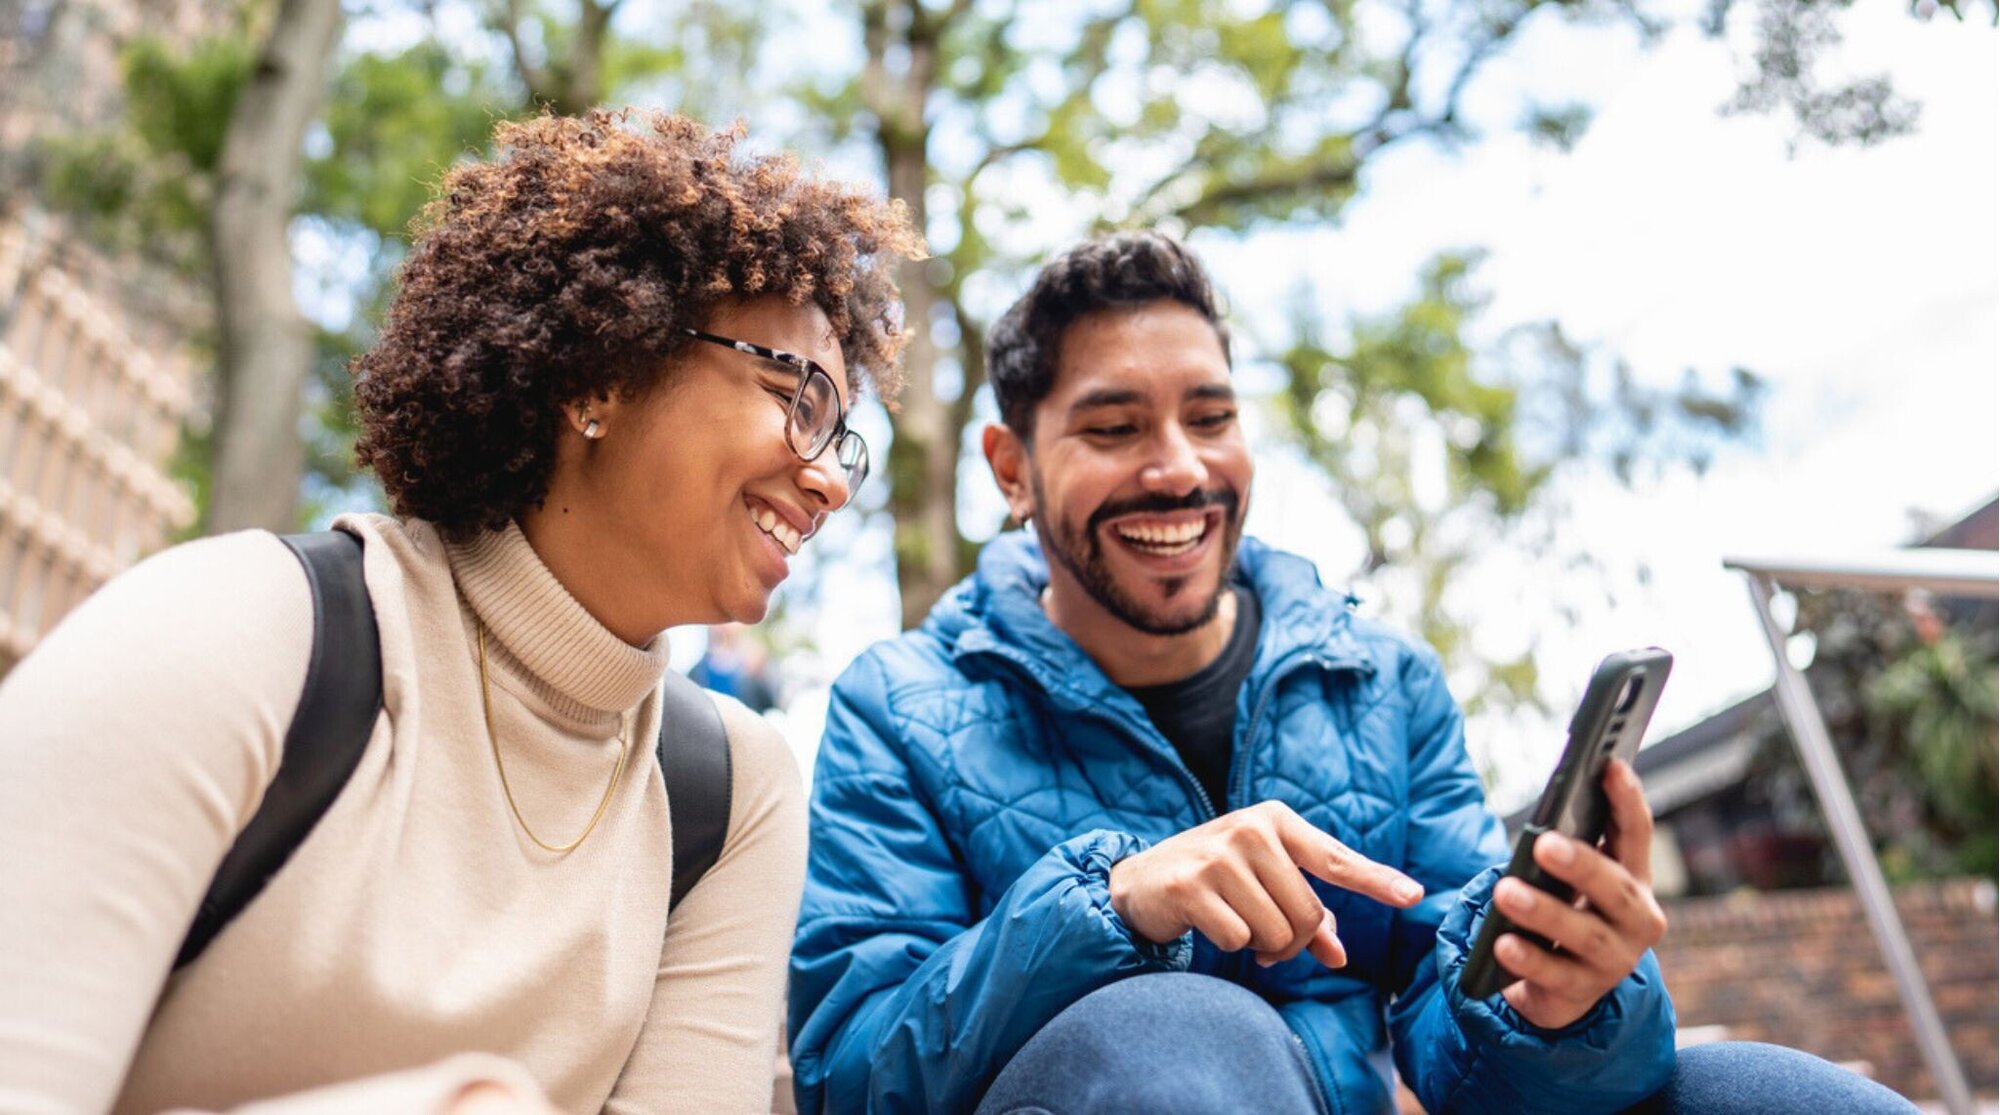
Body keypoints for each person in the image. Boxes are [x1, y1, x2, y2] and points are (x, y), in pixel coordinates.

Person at [786, 231, 1922, 1114]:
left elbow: (1461, 1036)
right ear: (1009, 466)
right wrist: (1109, 907)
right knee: (1183, 1025)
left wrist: (1555, 1000)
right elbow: (849, 1075)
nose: (1178, 468)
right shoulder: (899, 706)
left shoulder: (1381, 680)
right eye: (1114, 427)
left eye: (1210, 416)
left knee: (1753, 1088)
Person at [0, 110, 922, 1113]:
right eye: (799, 396)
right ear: (600, 373)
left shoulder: (731, 796)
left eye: (844, 436)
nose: (828, 479)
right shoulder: (237, 629)